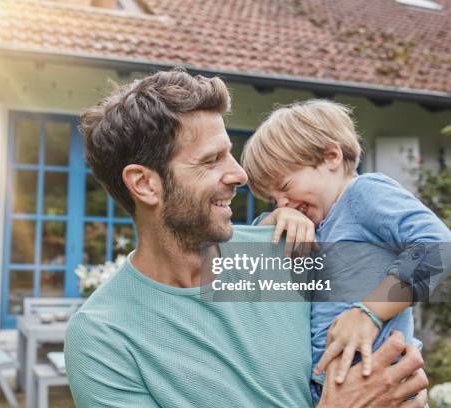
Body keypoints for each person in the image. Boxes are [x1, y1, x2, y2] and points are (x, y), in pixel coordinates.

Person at [64, 69, 428, 407]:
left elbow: (427, 260)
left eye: (231, 156)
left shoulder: (286, 248)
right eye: (212, 160)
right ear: (145, 184)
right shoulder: (105, 336)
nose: (239, 175)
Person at [241, 99, 449, 404]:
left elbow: (438, 247)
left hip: (386, 385)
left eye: (285, 186)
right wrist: (275, 219)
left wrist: (369, 312)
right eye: (273, 199)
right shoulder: (312, 225)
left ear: (331, 157)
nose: (282, 203)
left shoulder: (363, 195)